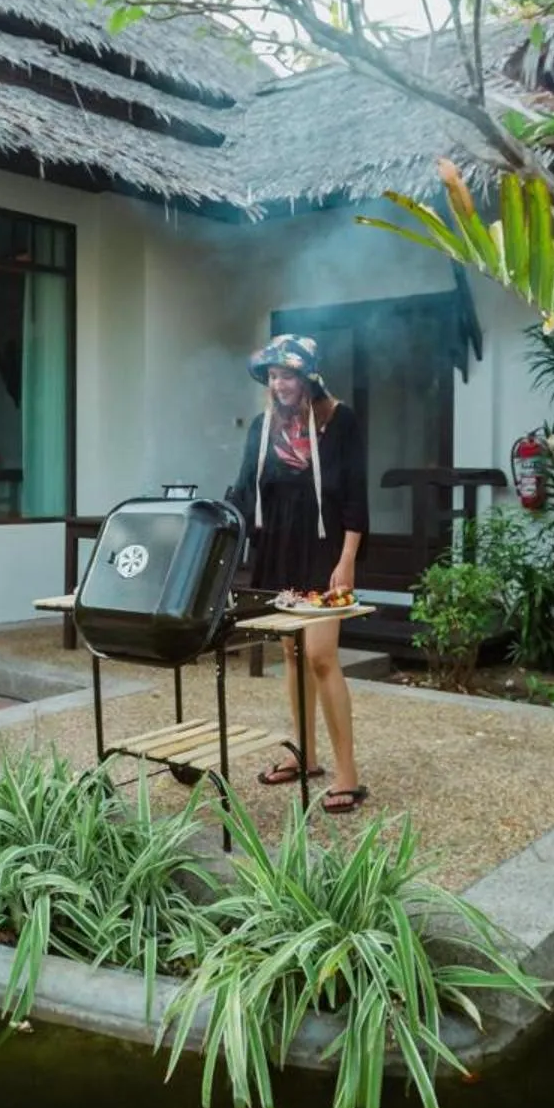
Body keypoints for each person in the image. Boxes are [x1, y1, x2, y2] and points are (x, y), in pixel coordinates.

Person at [227, 334, 370, 813]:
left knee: (321, 655)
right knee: (290, 654)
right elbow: (245, 490)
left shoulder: (339, 421)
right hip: (280, 551)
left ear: (308, 376)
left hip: (325, 551)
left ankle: (347, 773)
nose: (278, 383)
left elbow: (353, 494)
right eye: (271, 376)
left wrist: (348, 558)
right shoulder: (262, 427)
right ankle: (305, 755)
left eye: (286, 374)